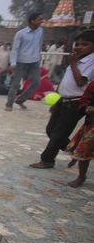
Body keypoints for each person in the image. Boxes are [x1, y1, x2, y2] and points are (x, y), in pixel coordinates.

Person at [30, 30, 94, 169]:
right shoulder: (76, 58)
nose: (79, 47)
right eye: (77, 44)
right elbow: (66, 81)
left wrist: (73, 64)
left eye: (85, 44)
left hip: (76, 102)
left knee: (58, 133)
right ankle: (74, 148)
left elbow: (80, 82)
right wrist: (58, 98)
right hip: (64, 99)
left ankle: (47, 160)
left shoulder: (89, 61)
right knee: (51, 130)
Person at [6, 13, 45, 111]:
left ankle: (20, 100)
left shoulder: (40, 31)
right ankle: (9, 103)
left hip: (34, 61)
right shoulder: (21, 34)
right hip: (21, 61)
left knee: (36, 82)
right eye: (39, 19)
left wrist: (38, 56)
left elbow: (39, 45)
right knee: (16, 84)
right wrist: (13, 63)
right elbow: (15, 49)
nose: (41, 21)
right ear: (32, 21)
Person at [65, 80, 94, 187]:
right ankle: (81, 176)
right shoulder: (93, 84)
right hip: (92, 124)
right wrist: (87, 108)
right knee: (84, 149)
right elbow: (84, 100)